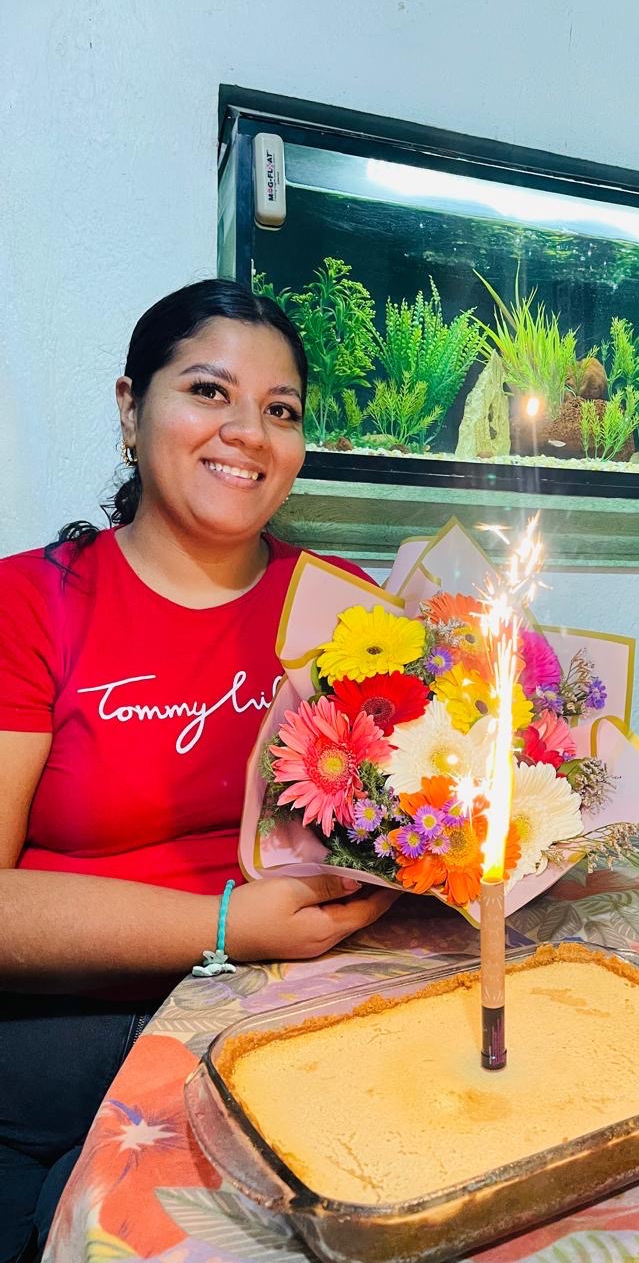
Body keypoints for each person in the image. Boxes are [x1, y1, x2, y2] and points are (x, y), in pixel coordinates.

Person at [0, 280, 395, 1260]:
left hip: (299, 1009)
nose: (249, 433)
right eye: (209, 391)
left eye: (281, 410)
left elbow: (396, 820)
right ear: (132, 409)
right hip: (73, 1025)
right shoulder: (30, 603)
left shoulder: (344, 606)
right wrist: (227, 927)